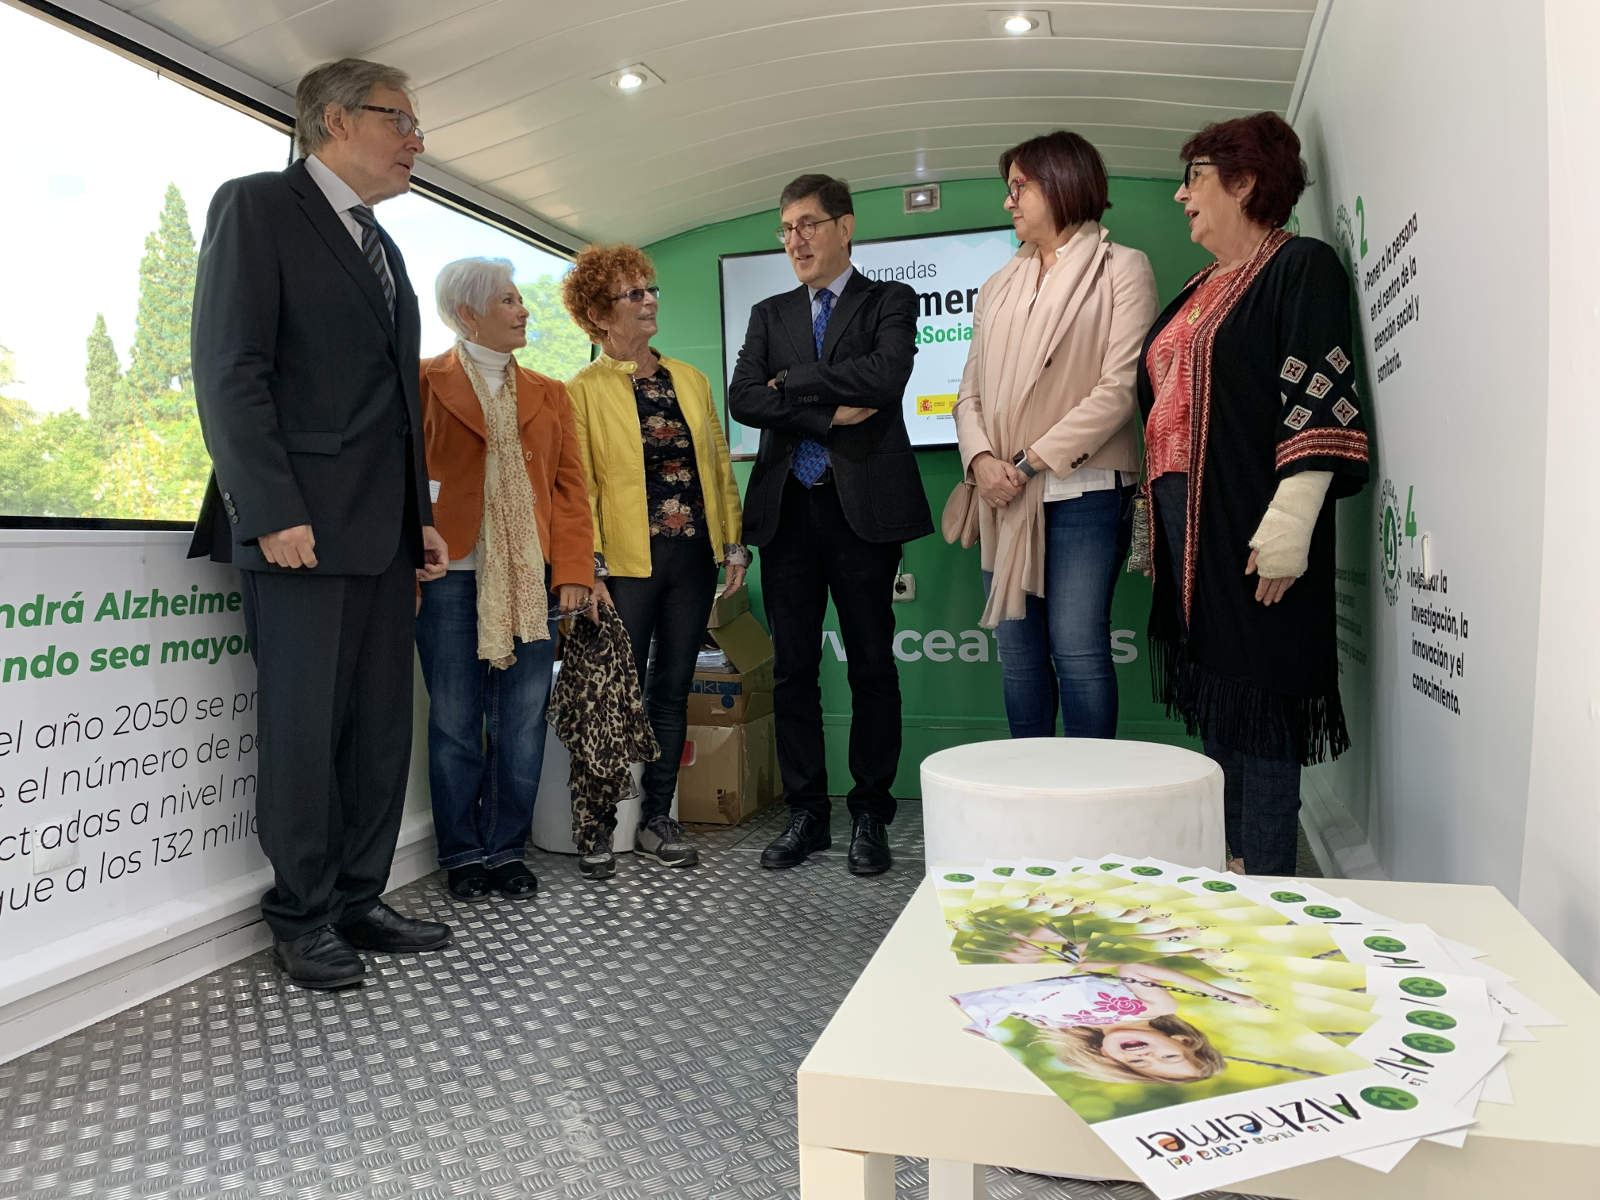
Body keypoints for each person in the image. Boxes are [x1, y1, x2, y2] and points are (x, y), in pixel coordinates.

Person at [188, 58, 451, 990]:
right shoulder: (258, 207)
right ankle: (301, 917)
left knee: (381, 728)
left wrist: (420, 514)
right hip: (297, 531)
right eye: (402, 121)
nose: (418, 141)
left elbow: (396, 404)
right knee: (303, 731)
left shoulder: (384, 244)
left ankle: (356, 896)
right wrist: (271, 511)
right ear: (336, 122)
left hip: (382, 532)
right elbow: (229, 371)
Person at [1136, 112, 1369, 876]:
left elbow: (1319, 390)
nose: (1181, 196)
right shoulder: (1202, 287)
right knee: (1221, 698)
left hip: (1252, 518)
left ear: (1244, 181)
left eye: (1195, 177)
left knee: (1264, 704)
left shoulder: (1300, 266)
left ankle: (1269, 884)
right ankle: (1230, 866)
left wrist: (1293, 515)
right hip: (1190, 523)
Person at [728, 174, 933, 876]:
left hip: (864, 511)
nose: (795, 240)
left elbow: (884, 378)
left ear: (845, 228)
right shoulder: (768, 311)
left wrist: (795, 382)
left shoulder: (890, 300)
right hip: (789, 511)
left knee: (874, 667)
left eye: (808, 225)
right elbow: (745, 397)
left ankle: (870, 814)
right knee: (793, 673)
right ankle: (807, 815)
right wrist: (819, 409)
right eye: (786, 229)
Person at [953, 131, 1157, 737]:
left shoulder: (1123, 268)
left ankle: (1091, 801)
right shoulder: (997, 286)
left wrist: (1028, 460)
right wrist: (985, 461)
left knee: (1078, 650)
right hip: (1003, 493)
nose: (1008, 202)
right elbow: (970, 392)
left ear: (1064, 184)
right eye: (1007, 189)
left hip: (1085, 489)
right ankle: (1031, 800)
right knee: (1017, 657)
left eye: (1020, 187)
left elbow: (1120, 389)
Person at [561, 245, 747, 872]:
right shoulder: (580, 391)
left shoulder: (689, 380)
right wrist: (587, 568)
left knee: (670, 691)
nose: (648, 301)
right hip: (622, 569)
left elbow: (717, 471)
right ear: (598, 314)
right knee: (614, 694)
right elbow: (577, 485)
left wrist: (733, 546)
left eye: (650, 289)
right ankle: (599, 825)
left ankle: (658, 819)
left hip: (691, 559)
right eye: (632, 294)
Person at [416, 257, 594, 901]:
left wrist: (574, 570)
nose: (525, 310)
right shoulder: (421, 381)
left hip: (534, 581)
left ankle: (505, 850)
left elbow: (571, 491)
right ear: (468, 314)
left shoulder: (550, 391)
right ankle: (462, 854)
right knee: (456, 724)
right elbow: (401, 479)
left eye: (521, 300)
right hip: (447, 578)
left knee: (522, 724)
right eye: (510, 301)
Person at [960, 962, 1252, 1083]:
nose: (1146, 1055)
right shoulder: (1152, 1008)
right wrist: (1226, 994)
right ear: (1184, 1040)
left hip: (985, 989)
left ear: (1108, 1055)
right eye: (1168, 1056)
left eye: (1140, 1064)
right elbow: (1132, 968)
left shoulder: (1065, 1026)